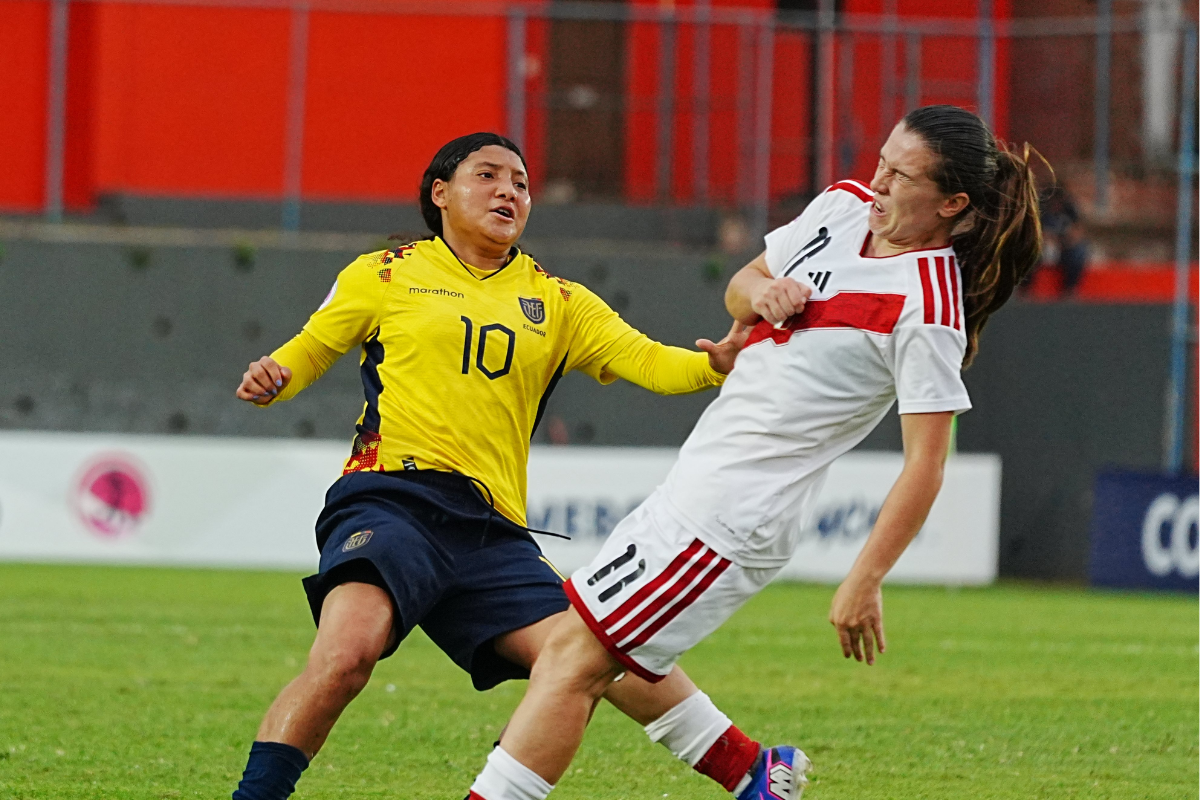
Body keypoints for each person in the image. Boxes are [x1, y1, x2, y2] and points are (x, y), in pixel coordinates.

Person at [464, 105, 1045, 800]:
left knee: (572, 661)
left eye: (901, 174)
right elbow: (742, 283)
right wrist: (762, 293)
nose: (879, 180)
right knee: (587, 648)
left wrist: (866, 577)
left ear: (953, 203)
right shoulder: (840, 208)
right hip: (696, 484)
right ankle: (754, 775)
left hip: (735, 519)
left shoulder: (929, 305)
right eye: (882, 160)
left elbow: (926, 463)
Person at [228, 132, 782, 800]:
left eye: (519, 183)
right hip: (390, 502)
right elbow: (308, 352)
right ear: (440, 193)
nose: (508, 192)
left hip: (490, 530)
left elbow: (647, 360)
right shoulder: (383, 272)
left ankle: (754, 773)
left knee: (591, 654)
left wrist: (711, 365)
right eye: (487, 175)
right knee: (347, 657)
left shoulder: (558, 299)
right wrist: (275, 377)